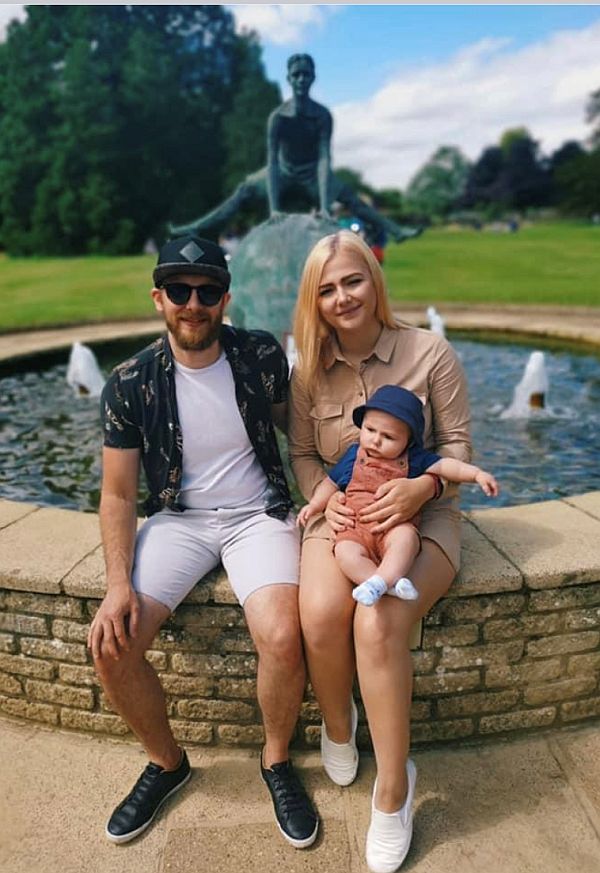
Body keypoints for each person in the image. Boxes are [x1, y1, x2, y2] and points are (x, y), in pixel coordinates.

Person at [87, 235, 318, 849]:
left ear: (225, 298)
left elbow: (297, 431)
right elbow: (117, 495)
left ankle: (276, 763)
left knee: (281, 633)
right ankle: (167, 763)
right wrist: (117, 587)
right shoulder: (131, 382)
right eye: (181, 291)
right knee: (111, 645)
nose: (195, 304)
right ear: (159, 297)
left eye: (208, 290)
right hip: (178, 521)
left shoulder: (260, 355)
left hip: (256, 516)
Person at [288, 230, 471, 873]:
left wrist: (423, 486)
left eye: (353, 280)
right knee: (317, 612)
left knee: (378, 619)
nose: (343, 297)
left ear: (375, 280)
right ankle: (340, 726)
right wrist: (323, 496)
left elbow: (460, 446)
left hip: (419, 523)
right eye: (327, 288)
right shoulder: (308, 370)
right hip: (339, 519)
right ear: (315, 301)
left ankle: (393, 790)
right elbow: (305, 455)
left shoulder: (431, 352)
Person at [169, 55, 420, 244]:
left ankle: (396, 231)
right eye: (296, 75)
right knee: (243, 190)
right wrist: (274, 209)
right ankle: (197, 228)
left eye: (306, 75)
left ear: (313, 78)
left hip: (312, 174)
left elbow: (324, 158)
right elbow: (273, 161)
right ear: (289, 78)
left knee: (352, 199)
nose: (301, 79)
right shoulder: (279, 117)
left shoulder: (322, 116)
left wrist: (323, 205)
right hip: (282, 171)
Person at [298, 384, 498, 607]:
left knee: (407, 541)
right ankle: (383, 585)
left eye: (389, 437)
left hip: (394, 526)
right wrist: (315, 504)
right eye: (370, 430)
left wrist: (477, 474)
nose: (375, 440)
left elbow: (448, 466)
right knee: (345, 552)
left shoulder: (414, 458)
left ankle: (382, 581)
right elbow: (330, 482)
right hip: (356, 527)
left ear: (408, 441)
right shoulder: (354, 456)